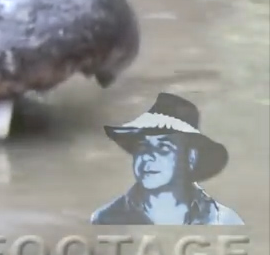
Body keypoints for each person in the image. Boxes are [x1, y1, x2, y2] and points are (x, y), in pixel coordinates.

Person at [90, 92, 243, 225]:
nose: (148, 156)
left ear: (190, 158)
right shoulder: (105, 220)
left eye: (163, 147)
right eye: (143, 146)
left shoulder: (223, 221)